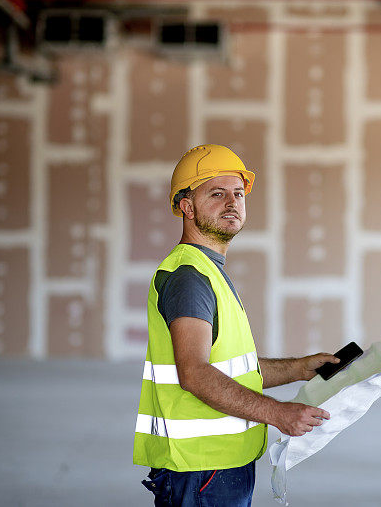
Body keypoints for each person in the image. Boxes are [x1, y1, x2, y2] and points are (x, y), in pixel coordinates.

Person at [134, 144, 339, 507]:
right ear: (187, 206)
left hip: (217, 466)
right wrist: (278, 413)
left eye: (239, 193)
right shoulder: (189, 277)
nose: (232, 202)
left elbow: (234, 369)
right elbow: (195, 374)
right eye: (217, 193)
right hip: (202, 470)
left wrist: (300, 369)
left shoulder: (208, 270)